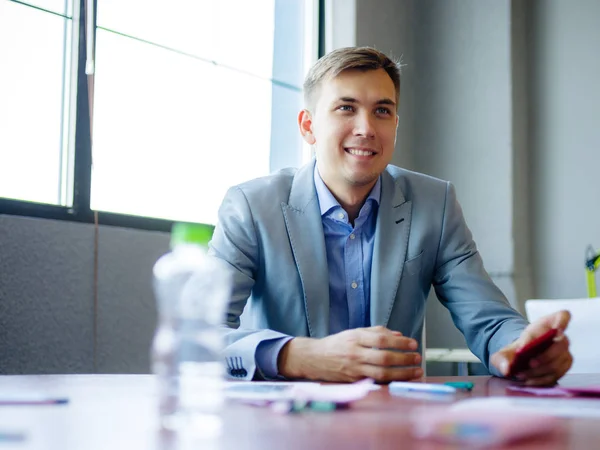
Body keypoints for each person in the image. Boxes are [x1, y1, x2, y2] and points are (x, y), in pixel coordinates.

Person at [209, 46, 572, 386]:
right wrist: (300, 356)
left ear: (395, 122)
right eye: (346, 108)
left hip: (395, 419)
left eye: (382, 110)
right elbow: (200, 336)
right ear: (308, 126)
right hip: (284, 424)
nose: (366, 128)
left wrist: (522, 348)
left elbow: (489, 320)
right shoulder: (251, 206)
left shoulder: (435, 203)